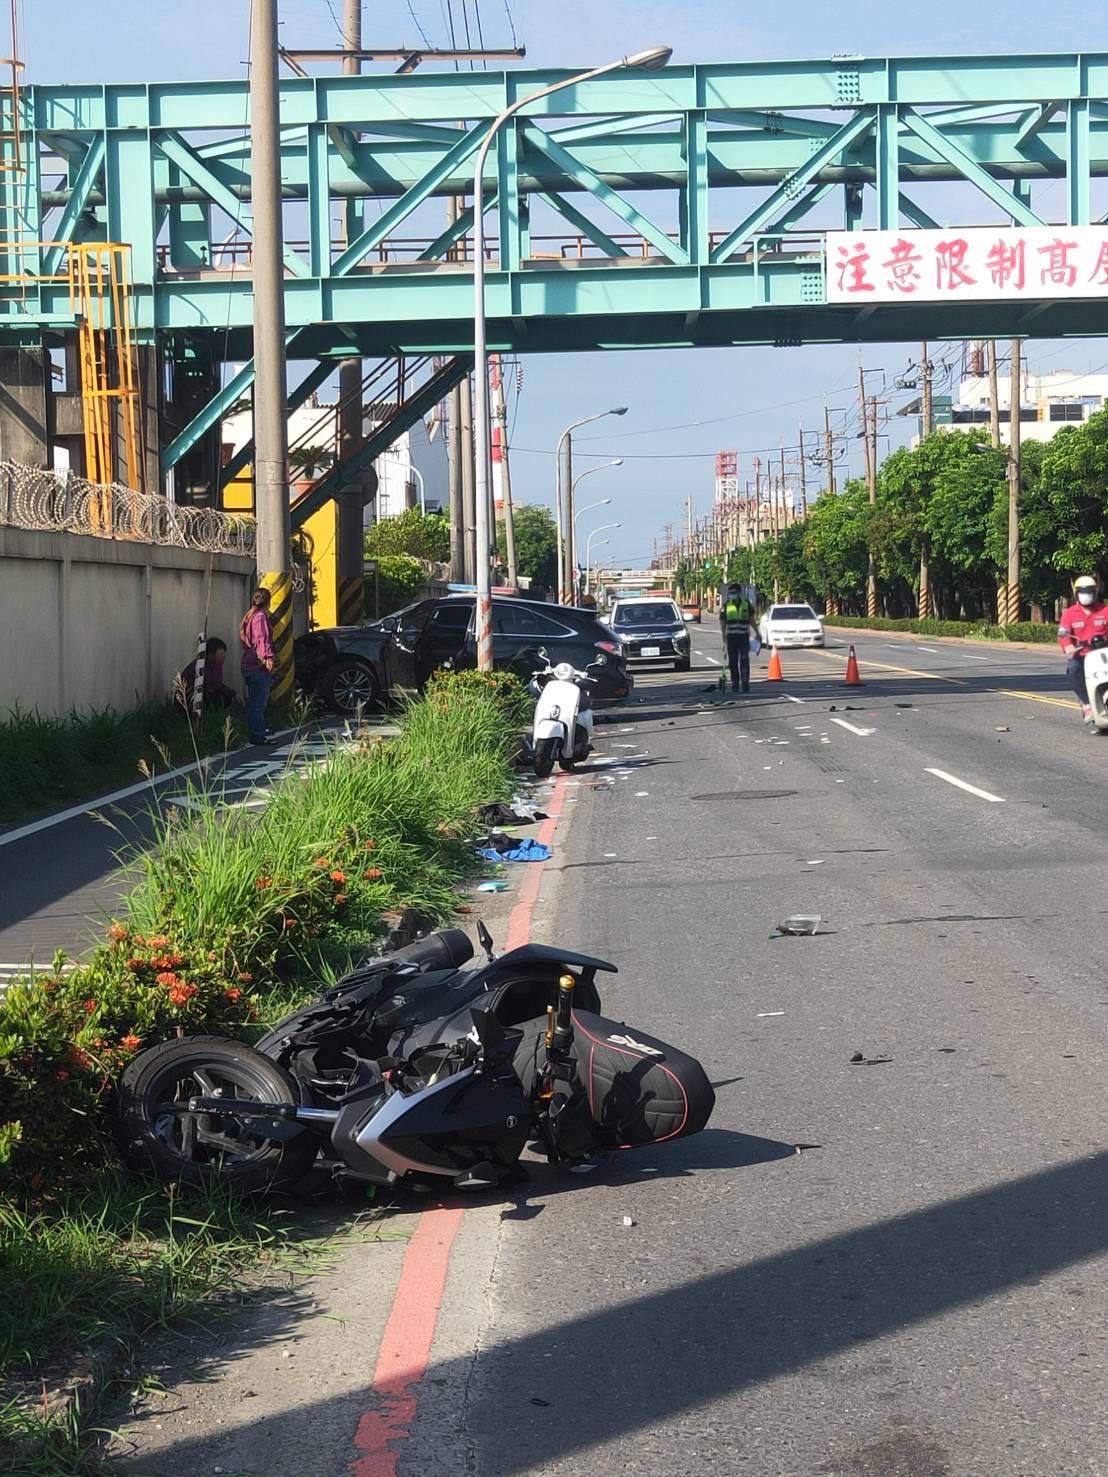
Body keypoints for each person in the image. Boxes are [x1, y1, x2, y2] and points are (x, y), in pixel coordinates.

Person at [1058, 575, 1108, 725]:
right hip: (1083, 656)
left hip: (1104, 653)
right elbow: (1063, 633)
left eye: (1089, 591)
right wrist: (1068, 645)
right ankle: (1086, 704)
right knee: (1072, 669)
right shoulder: (1070, 613)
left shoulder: (1105, 611)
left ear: (1095, 592)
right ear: (1076, 594)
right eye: (1082, 592)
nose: (1086, 595)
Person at [240, 587, 276, 745]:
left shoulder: (249, 615)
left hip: (248, 663)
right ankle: (257, 734)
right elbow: (262, 639)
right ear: (268, 601)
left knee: (256, 701)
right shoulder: (260, 617)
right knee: (258, 703)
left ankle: (260, 729)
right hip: (257, 666)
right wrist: (267, 656)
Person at [719, 582, 754, 693]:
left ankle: (745, 682)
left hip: (744, 636)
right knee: (733, 661)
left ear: (739, 593)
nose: (731, 595)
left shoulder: (746, 604)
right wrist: (723, 633)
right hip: (732, 637)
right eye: (730, 593)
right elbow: (722, 620)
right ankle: (735, 682)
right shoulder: (727, 605)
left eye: (733, 593)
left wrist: (757, 632)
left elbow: (751, 618)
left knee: (744, 659)